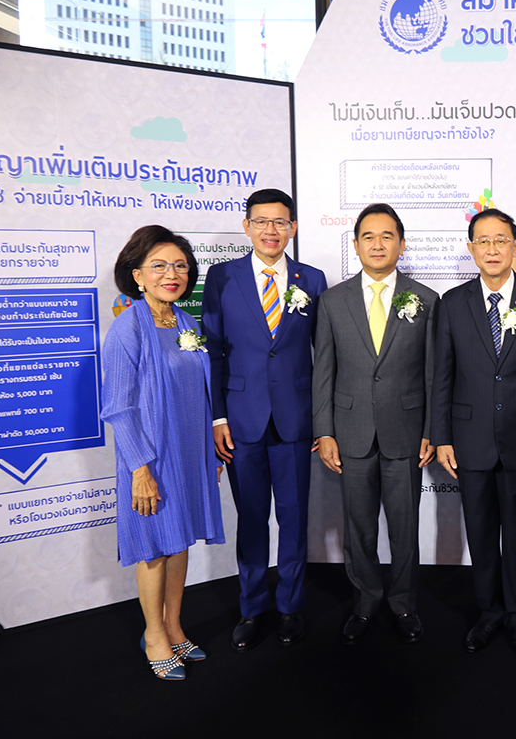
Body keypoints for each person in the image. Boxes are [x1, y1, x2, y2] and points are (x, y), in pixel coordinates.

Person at [431, 208, 516, 655]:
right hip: (469, 440)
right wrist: (442, 436)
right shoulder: (453, 302)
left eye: (501, 240)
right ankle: (489, 613)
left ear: (515, 246)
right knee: (481, 533)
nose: (492, 249)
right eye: (483, 242)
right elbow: (442, 376)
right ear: (472, 249)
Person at [202, 188, 327, 651]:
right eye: (261, 221)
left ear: (292, 227)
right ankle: (252, 607)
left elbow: (324, 356)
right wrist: (217, 417)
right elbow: (213, 350)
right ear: (247, 226)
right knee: (251, 518)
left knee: (293, 518)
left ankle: (291, 605)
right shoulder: (222, 276)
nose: (271, 230)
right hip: (241, 420)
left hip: (295, 419)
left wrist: (323, 421)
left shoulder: (312, 279)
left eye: (280, 222)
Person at [101, 226, 224, 681]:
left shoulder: (187, 323)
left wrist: (209, 456)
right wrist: (140, 469)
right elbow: (118, 407)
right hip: (149, 458)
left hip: (188, 454)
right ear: (137, 276)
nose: (171, 274)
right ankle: (153, 635)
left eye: (180, 266)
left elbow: (202, 394)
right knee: (155, 547)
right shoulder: (128, 327)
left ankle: (174, 626)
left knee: (179, 541)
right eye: (159, 266)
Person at [313, 203, 438, 644]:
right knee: (359, 528)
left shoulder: (426, 299)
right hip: (351, 433)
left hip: (406, 432)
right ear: (355, 245)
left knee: (405, 529)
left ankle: (404, 603)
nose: (378, 244)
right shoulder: (332, 301)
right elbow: (323, 371)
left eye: (387, 236)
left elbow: (433, 373)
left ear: (401, 244)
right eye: (369, 236)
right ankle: (365, 602)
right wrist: (324, 431)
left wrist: (432, 430)